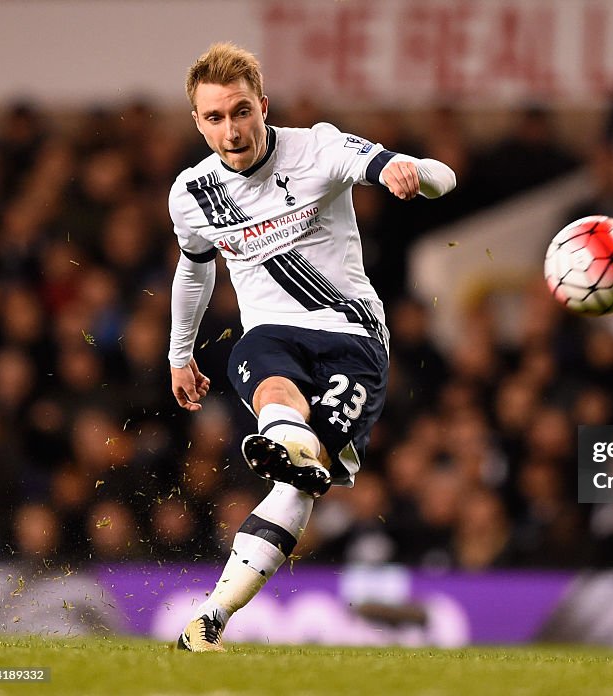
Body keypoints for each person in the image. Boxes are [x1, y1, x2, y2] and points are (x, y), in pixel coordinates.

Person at [167, 43, 455, 652]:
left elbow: (443, 177)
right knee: (266, 377)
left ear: (262, 107)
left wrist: (412, 172)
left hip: (352, 336)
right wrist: (179, 353)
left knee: (299, 486)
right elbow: (195, 272)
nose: (230, 129)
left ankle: (214, 612)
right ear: (197, 121)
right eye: (214, 118)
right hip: (270, 334)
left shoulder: (317, 147)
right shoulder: (193, 194)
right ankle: (289, 443)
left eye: (240, 111)